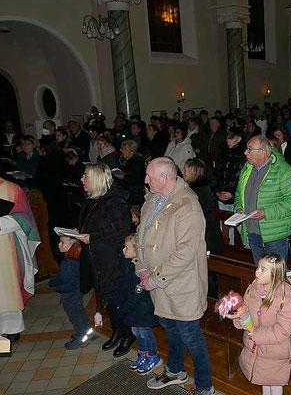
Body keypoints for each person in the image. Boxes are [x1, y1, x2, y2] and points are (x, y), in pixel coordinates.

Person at [139, 158, 214, 394]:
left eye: (149, 176)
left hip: (182, 286)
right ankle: (175, 371)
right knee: (169, 327)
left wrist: (154, 278)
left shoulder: (188, 205)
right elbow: (141, 237)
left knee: (191, 336)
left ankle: (205, 386)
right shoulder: (152, 199)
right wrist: (141, 268)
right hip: (158, 283)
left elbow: (185, 253)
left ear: (164, 177)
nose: (145, 180)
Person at [0, 153, 40, 341]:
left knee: (5, 286)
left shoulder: (10, 189)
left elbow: (25, 219)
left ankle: (12, 328)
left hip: (4, 249)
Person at [78, 163, 134, 356]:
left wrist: (92, 237)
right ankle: (117, 331)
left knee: (116, 298)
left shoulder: (115, 202)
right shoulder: (93, 200)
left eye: (85, 176)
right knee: (106, 297)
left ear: (96, 179)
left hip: (112, 259)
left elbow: (121, 231)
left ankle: (128, 334)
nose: (82, 180)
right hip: (97, 258)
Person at [226, 253, 291, 395]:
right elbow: (248, 314)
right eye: (258, 267)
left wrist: (255, 334)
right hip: (255, 346)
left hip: (275, 350)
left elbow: (283, 330)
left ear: (275, 275)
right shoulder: (253, 290)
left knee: (274, 382)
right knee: (263, 379)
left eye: (262, 269)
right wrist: (241, 315)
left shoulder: (285, 299)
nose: (257, 272)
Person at [234, 136, 291, 263]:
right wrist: (239, 208)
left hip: (274, 236)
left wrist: (266, 212)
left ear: (263, 152)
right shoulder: (247, 169)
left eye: (249, 149)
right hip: (253, 233)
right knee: (261, 276)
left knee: (276, 278)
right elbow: (239, 193)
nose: (245, 153)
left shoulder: (283, 170)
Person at [119, 234, 162, 375]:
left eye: (127, 248)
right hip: (132, 308)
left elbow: (138, 292)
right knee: (136, 332)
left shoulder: (140, 270)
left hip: (142, 309)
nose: (123, 250)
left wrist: (128, 304)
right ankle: (143, 353)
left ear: (137, 251)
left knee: (145, 333)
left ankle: (153, 356)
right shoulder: (127, 264)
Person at [49, 236, 96, 349]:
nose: (59, 244)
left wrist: (53, 283)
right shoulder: (75, 260)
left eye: (62, 242)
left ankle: (80, 338)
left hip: (70, 293)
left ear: (73, 245)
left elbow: (64, 280)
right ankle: (87, 331)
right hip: (76, 292)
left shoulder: (68, 263)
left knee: (75, 316)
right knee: (80, 312)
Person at [213, 127, 247, 211]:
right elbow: (215, 174)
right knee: (223, 222)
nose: (228, 140)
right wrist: (217, 192)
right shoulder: (221, 153)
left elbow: (244, 179)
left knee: (235, 222)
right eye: (228, 137)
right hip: (221, 196)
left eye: (232, 137)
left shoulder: (244, 156)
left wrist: (232, 194)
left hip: (236, 200)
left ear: (239, 139)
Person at [116, 140, 146, 205]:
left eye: (125, 150)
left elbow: (137, 179)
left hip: (134, 194)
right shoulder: (122, 160)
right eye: (122, 149)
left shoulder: (137, 163)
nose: (123, 151)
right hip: (125, 191)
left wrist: (123, 177)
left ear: (132, 151)